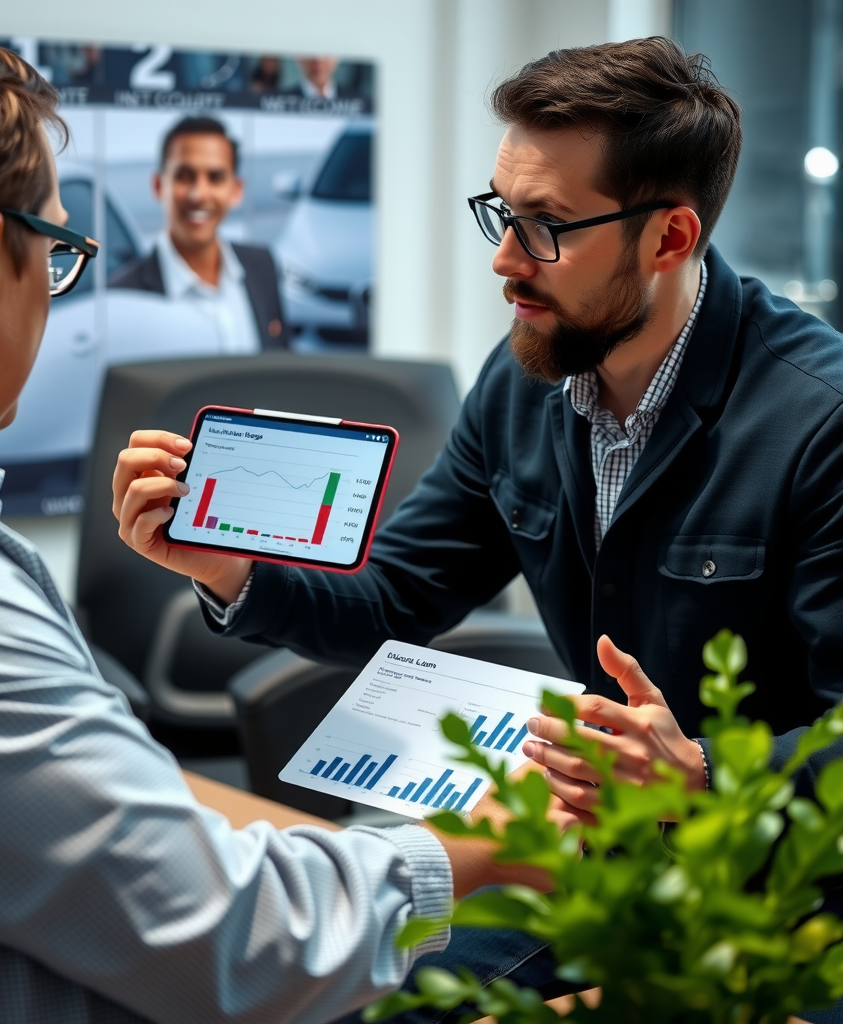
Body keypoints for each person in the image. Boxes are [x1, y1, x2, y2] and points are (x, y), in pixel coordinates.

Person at [0, 3, 571, 1022]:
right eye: (57, 249)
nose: (507, 261)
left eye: (549, 227)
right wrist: (481, 848)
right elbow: (229, 938)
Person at [113, 36, 843, 1022]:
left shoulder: (818, 421)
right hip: (603, 863)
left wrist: (700, 774)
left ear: (669, 238)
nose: (504, 259)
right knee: (344, 989)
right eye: (501, 213)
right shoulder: (525, 379)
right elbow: (393, 597)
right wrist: (232, 569)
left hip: (788, 908)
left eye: (545, 228)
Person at [109, 116, 287, 352]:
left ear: (236, 190)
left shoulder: (261, 266)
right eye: (184, 176)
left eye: (215, 178)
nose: (199, 194)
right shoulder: (123, 298)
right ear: (159, 186)